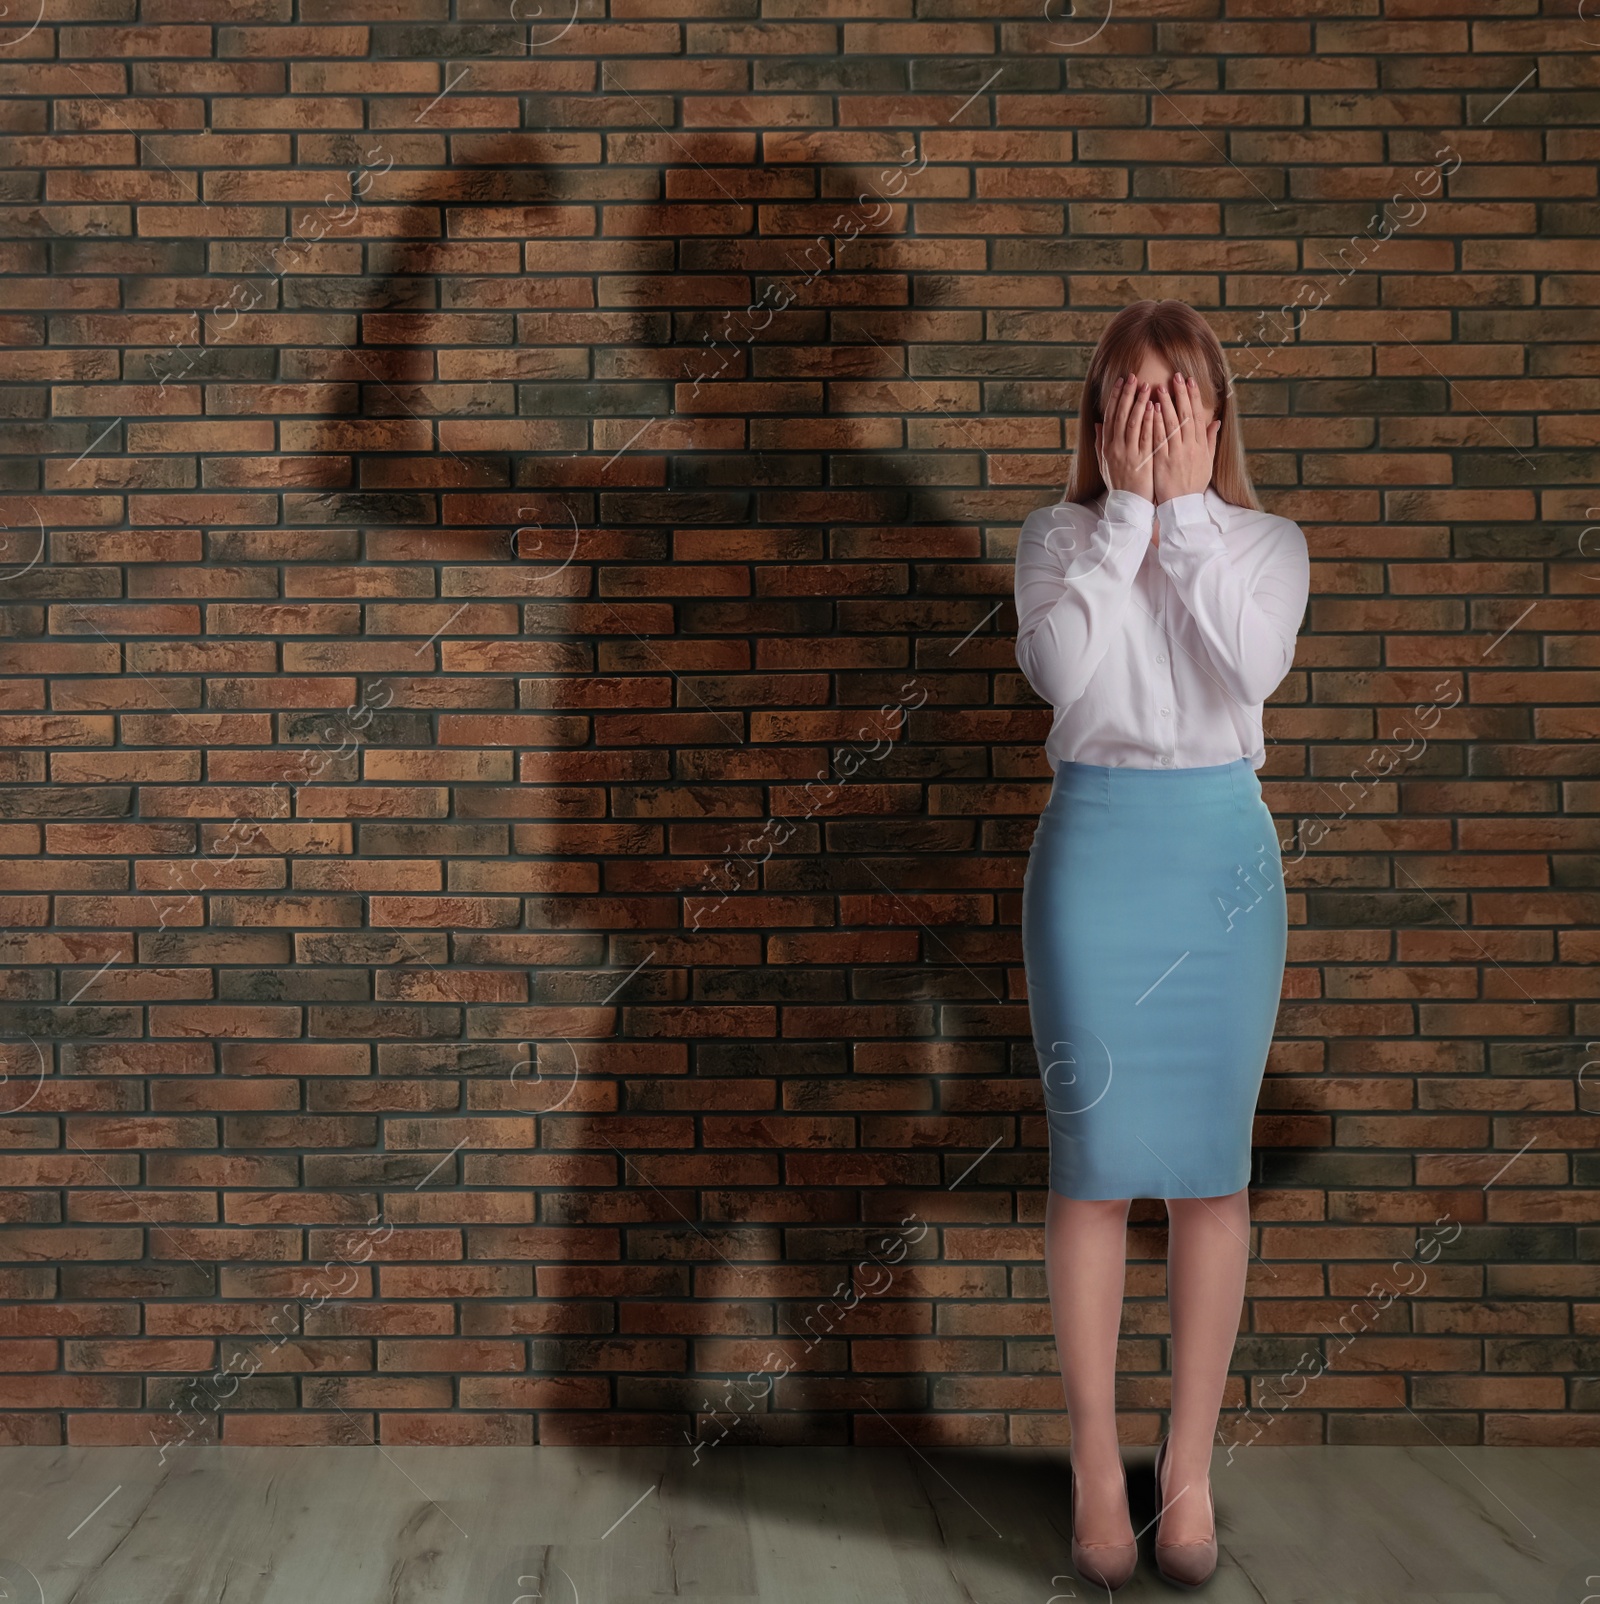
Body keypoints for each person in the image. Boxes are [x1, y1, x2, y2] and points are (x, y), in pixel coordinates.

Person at [1013, 300, 1311, 1590]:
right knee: (1091, 1169)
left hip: (1219, 865)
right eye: (1126, 397)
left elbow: (1250, 669)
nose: (1148, 419)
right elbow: (1059, 679)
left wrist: (1185, 522)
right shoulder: (1055, 539)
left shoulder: (1269, 545)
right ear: (1094, 416)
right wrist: (1129, 521)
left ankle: (1185, 1476)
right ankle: (1094, 1468)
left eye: (1171, 396)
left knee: (1209, 1175)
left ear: (1213, 414)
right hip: (1095, 856)